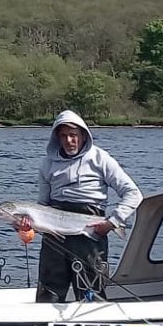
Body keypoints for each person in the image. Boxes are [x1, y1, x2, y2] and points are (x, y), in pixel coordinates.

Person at [20, 110, 143, 302]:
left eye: (73, 135)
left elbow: (133, 194)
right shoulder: (46, 164)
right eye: (63, 136)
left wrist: (112, 222)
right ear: (57, 138)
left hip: (90, 232)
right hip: (54, 234)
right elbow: (42, 205)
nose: (69, 140)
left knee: (91, 291)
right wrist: (27, 224)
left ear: (83, 135)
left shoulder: (101, 159)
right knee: (48, 293)